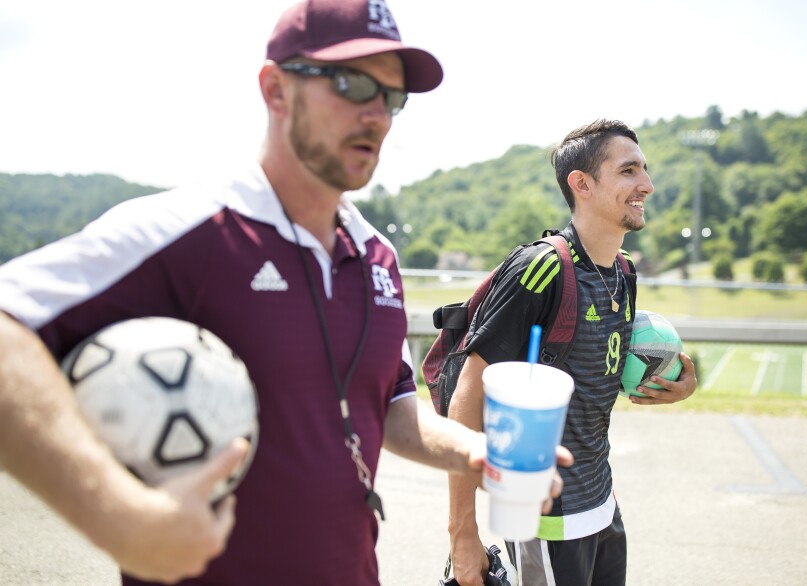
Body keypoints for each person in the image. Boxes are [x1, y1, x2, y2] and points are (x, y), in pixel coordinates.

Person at [0, 1, 571, 584]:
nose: (376, 114)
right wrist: (119, 516)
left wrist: (476, 451)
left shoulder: (377, 256)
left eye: (392, 98)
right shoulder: (191, 230)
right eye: (351, 83)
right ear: (275, 89)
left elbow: (392, 412)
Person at [446, 119, 698, 586]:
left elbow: (592, 379)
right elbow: (467, 391)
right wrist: (463, 533)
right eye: (628, 171)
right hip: (543, 516)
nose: (647, 184)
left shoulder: (623, 272)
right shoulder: (540, 268)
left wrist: (677, 385)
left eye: (644, 169)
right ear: (581, 184)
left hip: (602, 502)